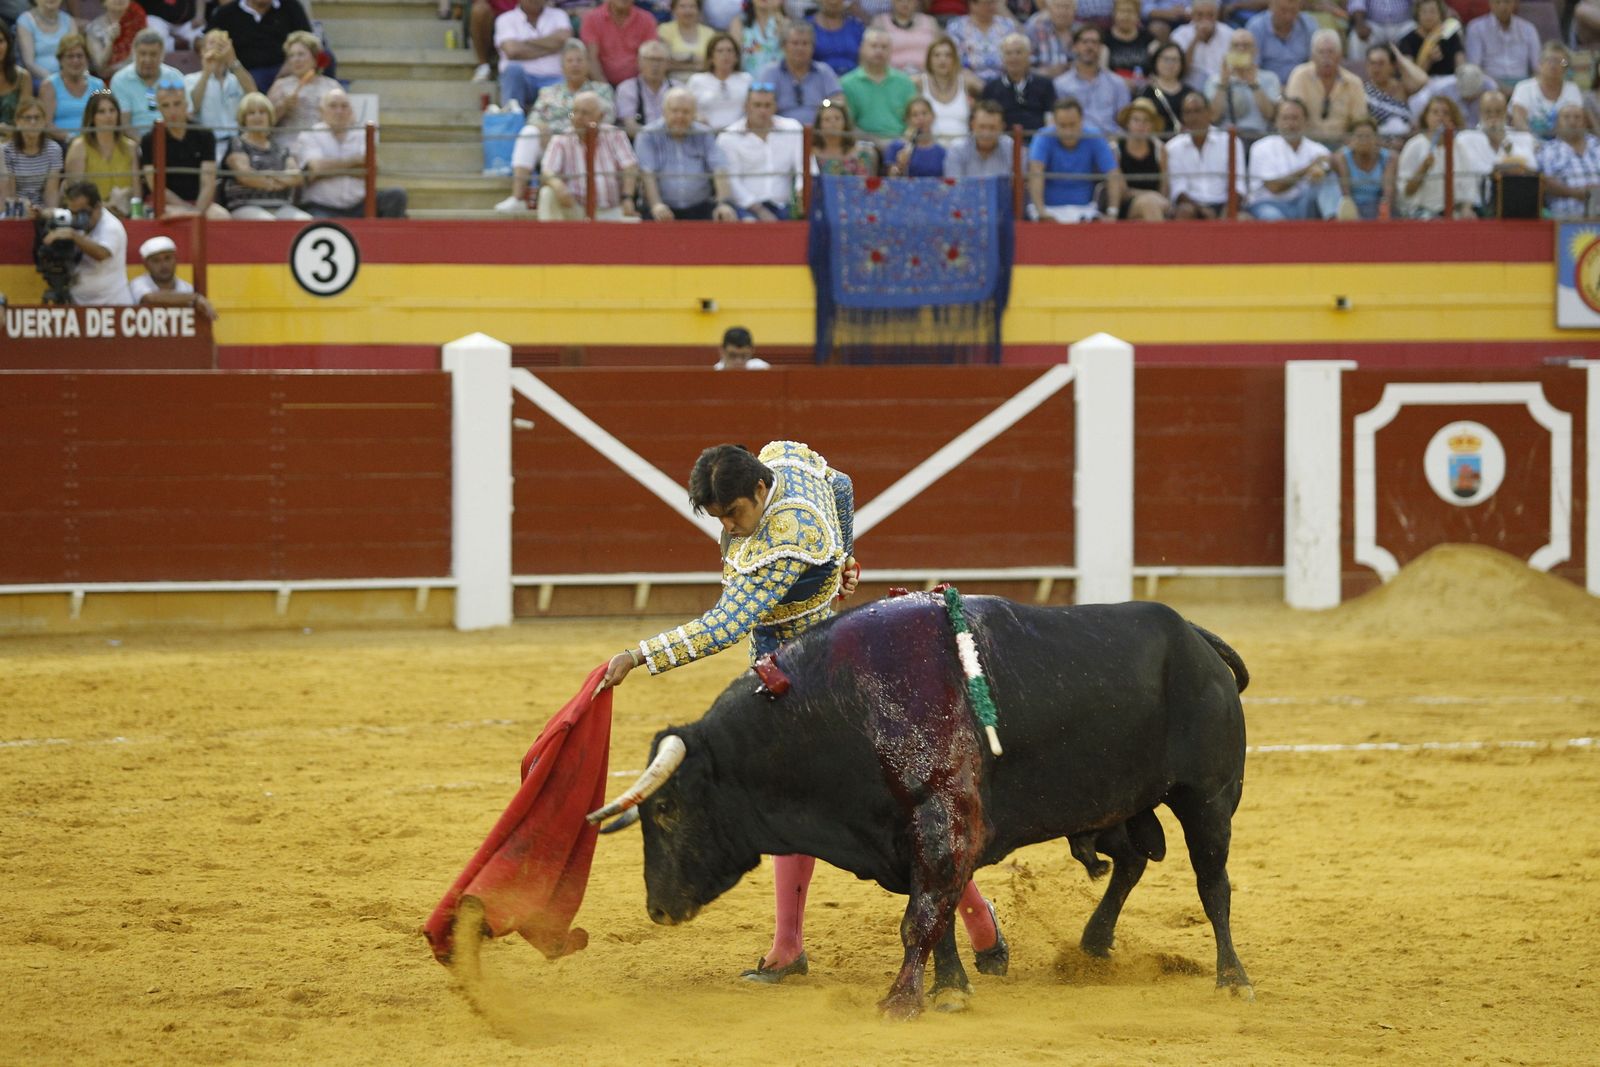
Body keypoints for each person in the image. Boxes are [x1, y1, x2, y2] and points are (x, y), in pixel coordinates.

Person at [597, 442, 1008, 987]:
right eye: (719, 518)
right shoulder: (784, 461)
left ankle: (976, 923)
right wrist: (847, 558)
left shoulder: (790, 540)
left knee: (894, 802)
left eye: (734, 514)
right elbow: (840, 483)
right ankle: (795, 945)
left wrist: (639, 654)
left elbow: (722, 627)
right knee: (806, 800)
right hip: (805, 657)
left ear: (761, 490)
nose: (730, 528)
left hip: (811, 681)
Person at [295, 88, 408, 219]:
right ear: (321, 111)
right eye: (333, 106)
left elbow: (372, 167)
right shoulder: (309, 135)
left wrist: (329, 169)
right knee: (318, 223)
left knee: (397, 196)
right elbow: (316, 168)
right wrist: (354, 162)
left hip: (360, 205)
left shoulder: (361, 134)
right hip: (322, 207)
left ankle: (387, 239)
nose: (339, 111)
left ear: (350, 111)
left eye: (344, 106)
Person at [533, 89, 640, 219]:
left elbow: (630, 167)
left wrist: (627, 197)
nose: (578, 117)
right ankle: (550, 239)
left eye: (585, 113)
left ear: (600, 116)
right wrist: (557, 185)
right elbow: (547, 171)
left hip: (611, 208)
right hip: (576, 209)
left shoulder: (615, 135)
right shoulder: (562, 139)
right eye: (575, 112)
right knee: (547, 193)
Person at [637, 87, 739, 219]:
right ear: (664, 112)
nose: (680, 116)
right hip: (661, 208)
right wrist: (656, 205)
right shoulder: (648, 135)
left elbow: (719, 169)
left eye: (686, 112)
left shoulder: (705, 134)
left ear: (694, 114)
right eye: (675, 111)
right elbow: (647, 173)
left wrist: (723, 204)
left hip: (700, 207)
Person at [140, 81, 228, 219]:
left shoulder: (205, 135)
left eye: (177, 104)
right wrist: (187, 210)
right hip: (165, 203)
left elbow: (208, 182)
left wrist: (197, 212)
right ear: (159, 109)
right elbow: (156, 186)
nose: (172, 111)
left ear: (186, 105)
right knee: (169, 217)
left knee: (222, 217)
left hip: (200, 203)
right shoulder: (149, 139)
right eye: (166, 106)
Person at [1029, 96, 1122, 221]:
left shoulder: (1094, 136)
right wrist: (1041, 211)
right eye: (1063, 126)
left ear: (1081, 120)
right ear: (1054, 123)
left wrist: (1113, 212)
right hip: (1049, 210)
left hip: (1085, 210)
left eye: (1072, 125)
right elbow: (1036, 171)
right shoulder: (1043, 136)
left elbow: (1112, 173)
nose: (1068, 131)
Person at [221, 91, 311, 219]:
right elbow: (245, 176)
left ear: (269, 117)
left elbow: (296, 177)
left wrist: (266, 175)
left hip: (281, 206)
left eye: (262, 112)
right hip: (245, 205)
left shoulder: (281, 149)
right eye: (251, 113)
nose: (258, 117)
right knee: (267, 221)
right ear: (244, 119)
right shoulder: (237, 144)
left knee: (305, 221)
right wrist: (278, 180)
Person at [717, 83, 802, 217]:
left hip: (784, 205)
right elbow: (733, 181)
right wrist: (759, 210)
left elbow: (804, 168)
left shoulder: (793, 128)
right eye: (757, 105)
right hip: (744, 208)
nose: (763, 111)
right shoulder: (728, 136)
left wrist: (801, 194)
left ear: (775, 107)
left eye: (767, 105)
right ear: (746, 107)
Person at [1246, 95, 1338, 219]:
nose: (1290, 124)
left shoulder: (1319, 150)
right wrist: (1308, 168)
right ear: (1276, 122)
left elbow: (1324, 174)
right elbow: (1274, 187)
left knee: (1329, 178)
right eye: (1285, 118)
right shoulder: (1261, 147)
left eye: (1295, 118)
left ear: (1306, 121)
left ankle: (1335, 219)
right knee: (1274, 217)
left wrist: (1321, 173)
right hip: (1269, 204)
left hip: (1304, 204)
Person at [43, 180, 132, 304]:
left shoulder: (111, 227)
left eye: (82, 213)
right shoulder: (73, 216)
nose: (77, 218)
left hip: (110, 304)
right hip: (79, 302)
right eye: (72, 213)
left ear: (98, 206)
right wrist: (40, 214)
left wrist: (73, 235)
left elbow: (102, 254)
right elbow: (52, 213)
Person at [1164, 89, 1246, 217]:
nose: (1193, 117)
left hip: (1224, 204)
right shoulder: (1173, 147)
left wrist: (1227, 211)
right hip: (1191, 207)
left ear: (1209, 113)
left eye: (1198, 111)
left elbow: (1239, 186)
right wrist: (1202, 211)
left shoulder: (1230, 141)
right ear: (1183, 117)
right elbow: (1178, 190)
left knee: (1243, 219)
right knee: (1184, 211)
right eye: (1188, 112)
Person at [1455, 86, 1536, 207]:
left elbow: (1531, 168)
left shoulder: (1522, 137)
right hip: (1477, 204)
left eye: (1498, 111)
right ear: (1480, 113)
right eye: (1488, 111)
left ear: (1505, 113)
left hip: (1516, 201)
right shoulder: (1465, 138)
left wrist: (1502, 141)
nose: (1493, 116)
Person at [206, 0, 312, 92]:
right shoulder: (227, 12)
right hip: (246, 71)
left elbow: (307, 40)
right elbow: (203, 40)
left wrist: (290, 64)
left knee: (326, 56)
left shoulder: (291, 7)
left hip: (286, 66)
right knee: (256, 79)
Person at [1396, 93, 1474, 217]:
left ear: (1452, 118)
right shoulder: (1414, 145)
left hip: (1456, 211)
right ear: (1426, 117)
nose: (1440, 117)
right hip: (1423, 212)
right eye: (1435, 112)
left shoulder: (1460, 147)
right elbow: (1405, 192)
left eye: (1445, 113)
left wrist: (1466, 208)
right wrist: (1423, 169)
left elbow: (1470, 186)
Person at [1284, 27, 1368, 141]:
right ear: (1312, 56)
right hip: (1306, 143)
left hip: (1343, 145)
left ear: (1340, 56)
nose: (1326, 57)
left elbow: (1360, 122)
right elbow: (1293, 115)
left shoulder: (1354, 83)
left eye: (1331, 52)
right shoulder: (1299, 76)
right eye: (1321, 52)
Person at [64, 90, 138, 217]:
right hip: (89, 216)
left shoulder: (130, 147)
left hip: (125, 213)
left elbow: (137, 195)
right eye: (101, 112)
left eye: (112, 110)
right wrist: (107, 207)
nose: (108, 116)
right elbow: (76, 196)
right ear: (92, 117)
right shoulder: (79, 146)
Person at [185, 30, 256, 163]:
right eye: (213, 43)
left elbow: (254, 95)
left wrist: (233, 60)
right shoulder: (191, 80)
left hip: (239, 144)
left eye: (221, 43)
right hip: (208, 146)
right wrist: (207, 72)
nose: (217, 47)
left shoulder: (237, 78)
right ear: (202, 50)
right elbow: (193, 108)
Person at [757, 21, 843, 123]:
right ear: (783, 46)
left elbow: (838, 103)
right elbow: (759, 104)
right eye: (795, 43)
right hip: (780, 132)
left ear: (813, 47)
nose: (800, 48)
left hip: (819, 132)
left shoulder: (824, 71)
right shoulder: (770, 72)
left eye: (805, 43)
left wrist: (826, 107)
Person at [494, 0, 572, 112]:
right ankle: (512, 117)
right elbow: (512, 51)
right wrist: (551, 47)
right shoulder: (505, 19)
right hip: (524, 80)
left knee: (567, 81)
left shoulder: (559, 15)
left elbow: (563, 39)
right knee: (512, 70)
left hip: (554, 79)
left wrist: (523, 43)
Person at [267, 30, 339, 147]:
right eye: (291, 56)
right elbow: (264, 124)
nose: (296, 60)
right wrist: (283, 107)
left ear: (315, 58)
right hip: (288, 143)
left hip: (322, 144)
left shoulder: (332, 86)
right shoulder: (280, 85)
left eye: (301, 54)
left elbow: (346, 119)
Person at [1052, 25, 1129, 133]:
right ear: (1074, 47)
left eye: (1094, 42)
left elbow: (1124, 121)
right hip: (1075, 142)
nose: (1090, 47)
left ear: (1101, 48)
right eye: (1085, 42)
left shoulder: (1117, 83)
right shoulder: (1060, 84)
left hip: (1110, 142)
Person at [841, 26, 917, 137]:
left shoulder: (905, 83)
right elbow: (847, 125)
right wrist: (876, 143)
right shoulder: (847, 84)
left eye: (884, 47)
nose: (879, 51)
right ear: (862, 48)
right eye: (873, 46)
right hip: (862, 144)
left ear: (891, 50)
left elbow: (914, 121)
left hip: (900, 143)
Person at [532, 40, 616, 135]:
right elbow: (533, 118)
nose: (574, 64)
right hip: (550, 139)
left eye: (579, 60)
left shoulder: (602, 90)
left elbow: (608, 118)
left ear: (588, 65)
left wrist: (575, 127)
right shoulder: (548, 92)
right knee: (530, 131)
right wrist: (542, 127)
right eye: (569, 61)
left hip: (588, 137)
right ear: (562, 67)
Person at [109, 29, 182, 138]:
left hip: (171, 139)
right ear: (134, 53)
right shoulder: (120, 80)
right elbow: (125, 125)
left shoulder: (174, 77)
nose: (147, 59)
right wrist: (145, 147)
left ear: (162, 55)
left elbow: (184, 116)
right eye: (142, 54)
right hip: (135, 143)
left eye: (153, 54)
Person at [1206, 24, 1277, 133]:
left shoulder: (1269, 78)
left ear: (1255, 51)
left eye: (1246, 45)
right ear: (1229, 50)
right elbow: (1213, 117)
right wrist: (1223, 84)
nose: (1241, 49)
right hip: (1226, 137)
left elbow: (1270, 115)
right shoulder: (1215, 80)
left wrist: (1254, 84)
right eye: (1236, 45)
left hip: (1257, 137)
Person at [1536, 102, 1600, 219]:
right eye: (1566, 117)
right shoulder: (1546, 151)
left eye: (1577, 117)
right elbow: (1543, 183)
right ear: (1557, 124)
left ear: (1585, 123)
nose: (1572, 122)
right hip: (1564, 220)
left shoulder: (1597, 146)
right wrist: (1578, 193)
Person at [1107, 97, 1168, 217]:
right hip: (1126, 204)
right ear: (1127, 123)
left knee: (1152, 205)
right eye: (1136, 120)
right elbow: (1122, 190)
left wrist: (1158, 198)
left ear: (1152, 125)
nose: (1141, 125)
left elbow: (1164, 184)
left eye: (1146, 121)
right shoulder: (1116, 148)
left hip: (1158, 202)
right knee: (1148, 203)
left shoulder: (1159, 148)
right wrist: (1151, 196)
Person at [130, 234, 217, 318]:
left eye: (167, 258)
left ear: (176, 259)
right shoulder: (138, 283)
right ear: (146, 265)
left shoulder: (186, 288)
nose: (163, 265)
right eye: (156, 261)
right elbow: (150, 298)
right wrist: (195, 298)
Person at [980, 32, 1053, 131]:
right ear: (1002, 58)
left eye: (1019, 52)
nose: (1014, 58)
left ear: (1028, 55)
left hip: (1037, 141)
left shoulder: (1045, 85)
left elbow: (1050, 122)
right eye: (1008, 53)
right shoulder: (991, 88)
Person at [39, 34, 105, 140]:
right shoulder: (49, 85)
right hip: (62, 143)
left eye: (80, 56)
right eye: (70, 56)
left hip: (93, 142)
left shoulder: (99, 85)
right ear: (60, 60)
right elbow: (46, 124)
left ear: (87, 59)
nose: (76, 61)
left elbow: (106, 119)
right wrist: (71, 138)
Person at [0, 97, 62, 209]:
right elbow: (10, 193)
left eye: (37, 118)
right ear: (18, 122)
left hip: (41, 210)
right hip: (15, 209)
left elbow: (51, 192)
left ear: (44, 121)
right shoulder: (7, 150)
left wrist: (50, 214)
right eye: (27, 118)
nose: (33, 122)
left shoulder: (54, 149)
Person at [1509, 42, 1578, 141]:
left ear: (1566, 68)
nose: (1554, 65)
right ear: (1540, 64)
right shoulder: (1523, 88)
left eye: (1561, 61)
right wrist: (1535, 143)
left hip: (1563, 146)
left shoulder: (1572, 89)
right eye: (1550, 60)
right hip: (1530, 144)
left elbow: (1575, 123)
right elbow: (1518, 121)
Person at [581, 0, 659, 86]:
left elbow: (650, 57)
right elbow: (592, 58)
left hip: (638, 85)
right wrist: (605, 89)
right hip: (601, 84)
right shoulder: (592, 19)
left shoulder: (646, 19)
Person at [1331, 114, 1395, 218]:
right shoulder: (1342, 158)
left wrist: (1384, 209)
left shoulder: (1388, 158)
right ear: (1351, 139)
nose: (1364, 141)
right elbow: (1346, 194)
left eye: (1368, 136)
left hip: (1378, 205)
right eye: (1359, 136)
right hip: (1353, 207)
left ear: (1376, 138)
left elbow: (1388, 192)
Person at [1463, 0, 1538, 88]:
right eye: (1498, 2)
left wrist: (1528, 88)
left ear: (1515, 3)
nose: (1503, 6)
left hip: (1523, 84)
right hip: (1489, 85)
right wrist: (1501, 87)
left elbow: (1537, 66)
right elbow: (1475, 68)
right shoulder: (1476, 28)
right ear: (1490, 3)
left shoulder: (1528, 29)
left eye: (1507, 2)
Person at [688, 31, 752, 130]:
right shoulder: (697, 80)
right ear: (711, 57)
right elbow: (688, 109)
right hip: (705, 133)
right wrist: (697, 118)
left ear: (736, 57)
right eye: (720, 51)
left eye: (730, 50)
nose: (725, 55)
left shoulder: (746, 79)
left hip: (739, 135)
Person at [1245, 0, 1317, 86]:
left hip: (1301, 87)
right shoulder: (1256, 27)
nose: (1288, 16)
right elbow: (1252, 68)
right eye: (1283, 10)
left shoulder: (1309, 25)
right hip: (1266, 88)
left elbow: (1315, 65)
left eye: (1293, 11)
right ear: (1271, 7)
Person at [918, 35, 977, 141]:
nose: (942, 60)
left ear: (955, 59)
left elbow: (991, 91)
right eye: (937, 55)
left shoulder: (967, 82)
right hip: (931, 149)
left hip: (962, 149)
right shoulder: (919, 82)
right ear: (929, 60)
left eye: (948, 55)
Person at [1136, 40, 1200, 131]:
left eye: (1175, 60)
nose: (1170, 64)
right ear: (1156, 61)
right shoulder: (1147, 91)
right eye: (1166, 59)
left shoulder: (1189, 92)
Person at [1363, 43, 1424, 137]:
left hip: (1404, 141)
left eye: (1381, 63)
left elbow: (1422, 81)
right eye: (1372, 63)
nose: (1376, 69)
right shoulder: (1363, 91)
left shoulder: (1403, 88)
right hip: (1378, 144)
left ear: (1393, 66)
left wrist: (1399, 57)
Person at [943, 96, 1014, 177]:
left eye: (992, 128)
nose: (986, 133)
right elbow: (953, 186)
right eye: (982, 127)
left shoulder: (1012, 149)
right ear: (972, 125)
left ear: (1002, 127)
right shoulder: (957, 150)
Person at [947, 0, 1017, 81]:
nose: (992, 6)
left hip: (1004, 77)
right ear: (973, 4)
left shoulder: (1007, 25)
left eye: (993, 2)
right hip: (970, 80)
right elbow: (952, 59)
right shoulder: (956, 27)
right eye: (987, 3)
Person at [1171, 0, 1231, 91]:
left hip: (1222, 87)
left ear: (1217, 15)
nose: (1205, 19)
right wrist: (1196, 39)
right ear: (1192, 15)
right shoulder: (1179, 35)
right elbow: (1178, 72)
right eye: (1200, 14)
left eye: (1210, 15)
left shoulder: (1229, 34)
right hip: (1190, 89)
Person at [809, 95, 878, 174]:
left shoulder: (862, 153)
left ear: (845, 122)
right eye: (827, 119)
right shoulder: (810, 154)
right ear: (819, 125)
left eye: (837, 118)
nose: (833, 123)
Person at [616, 39, 672, 135]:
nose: (655, 65)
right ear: (639, 62)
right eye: (650, 59)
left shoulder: (679, 89)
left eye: (660, 60)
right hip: (639, 144)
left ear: (668, 63)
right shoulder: (627, 88)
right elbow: (630, 126)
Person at [1396, 0, 1462, 78]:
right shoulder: (1407, 40)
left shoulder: (1450, 35)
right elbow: (1410, 76)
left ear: (1440, 14)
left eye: (1432, 11)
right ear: (1418, 14)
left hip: (1449, 81)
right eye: (1424, 12)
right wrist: (1428, 60)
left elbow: (1460, 63)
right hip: (1421, 85)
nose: (1428, 16)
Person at [85, 0, 146, 80]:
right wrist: (110, 42)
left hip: (136, 78)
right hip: (107, 84)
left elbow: (146, 58)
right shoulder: (94, 28)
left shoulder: (138, 23)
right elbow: (100, 69)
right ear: (104, 2)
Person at [885, 95, 946, 175]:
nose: (921, 118)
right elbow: (891, 180)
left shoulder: (941, 152)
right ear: (908, 120)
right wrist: (900, 166)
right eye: (915, 115)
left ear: (933, 116)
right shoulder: (896, 147)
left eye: (924, 113)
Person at [872, 0, 937, 73]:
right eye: (900, 0)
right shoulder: (880, 22)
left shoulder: (930, 21)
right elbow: (872, 51)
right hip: (891, 75)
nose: (905, 3)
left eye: (909, 1)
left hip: (927, 75)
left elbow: (939, 48)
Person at [16, 0, 72, 85]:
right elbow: (29, 62)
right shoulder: (25, 20)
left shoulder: (69, 21)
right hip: (39, 79)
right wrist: (55, 80)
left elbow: (75, 55)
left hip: (70, 77)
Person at [659, 0, 712, 83]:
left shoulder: (709, 33)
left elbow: (712, 63)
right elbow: (664, 63)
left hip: (704, 82)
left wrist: (679, 59)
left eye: (692, 6)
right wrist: (695, 61)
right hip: (673, 81)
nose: (688, 11)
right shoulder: (664, 30)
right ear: (673, 10)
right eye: (682, 6)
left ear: (698, 10)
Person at [1025, 0, 1079, 80]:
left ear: (1075, 11)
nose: (1062, 11)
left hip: (1074, 86)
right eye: (1058, 7)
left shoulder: (1080, 32)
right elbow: (1024, 66)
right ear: (1049, 9)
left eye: (1067, 7)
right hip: (1043, 83)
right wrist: (1046, 72)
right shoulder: (1035, 30)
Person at [808, 0, 864, 77]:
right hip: (819, 81)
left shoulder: (856, 26)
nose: (833, 2)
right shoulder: (808, 27)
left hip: (853, 82)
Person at [734, 0, 788, 74]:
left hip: (777, 81)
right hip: (747, 80)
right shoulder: (739, 22)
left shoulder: (784, 23)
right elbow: (734, 57)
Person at [1347, 0, 1415, 57]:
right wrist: (1360, 24)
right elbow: (1357, 4)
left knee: (1416, 32)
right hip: (1375, 25)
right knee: (1357, 39)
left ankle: (1413, 71)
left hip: (1403, 25)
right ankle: (1359, 71)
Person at [1103, 0, 1152, 78]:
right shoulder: (1104, 38)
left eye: (1130, 11)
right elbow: (1103, 71)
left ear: (1138, 16)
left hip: (1143, 85)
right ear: (1114, 14)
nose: (1126, 15)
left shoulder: (1148, 39)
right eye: (1122, 11)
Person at [0, 23, 32, 132]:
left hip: (15, 140)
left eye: (0, 41)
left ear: (8, 43)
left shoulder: (23, 77)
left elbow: (25, 118)